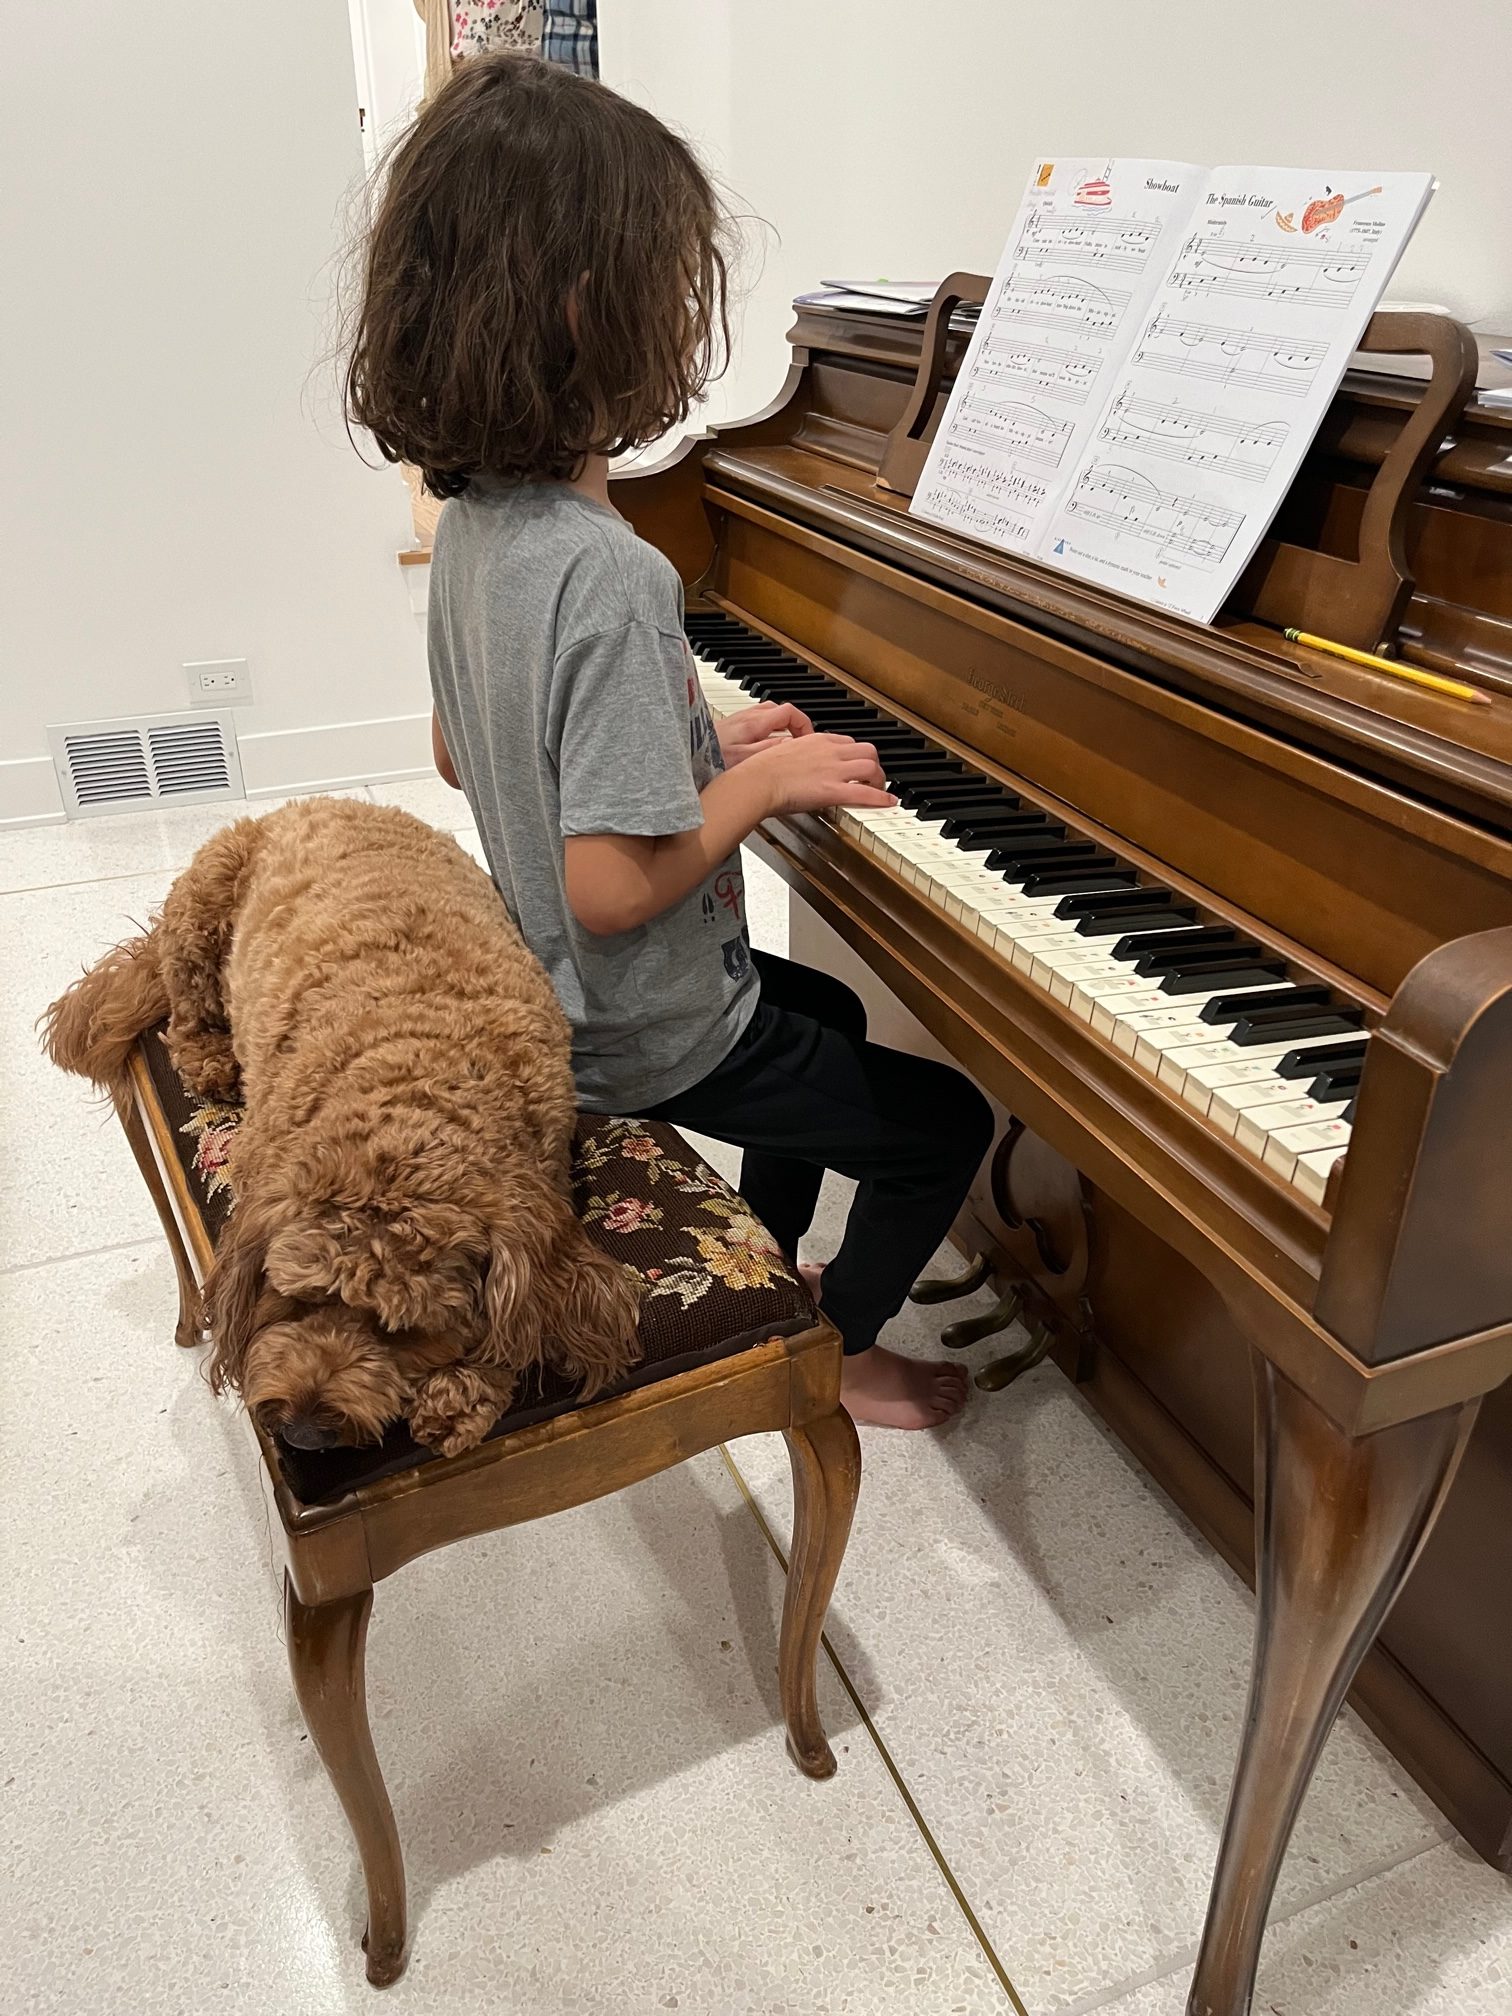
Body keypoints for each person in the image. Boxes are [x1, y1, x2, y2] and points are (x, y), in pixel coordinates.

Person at [345, 55, 993, 1427]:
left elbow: (473, 752)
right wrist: (751, 785)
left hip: (564, 1000)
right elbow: (612, 885)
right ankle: (840, 1349)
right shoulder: (613, 572)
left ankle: (762, 1266)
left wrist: (692, 730)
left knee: (815, 1013)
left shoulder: (472, 530)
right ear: (595, 314)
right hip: (636, 1033)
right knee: (942, 1126)